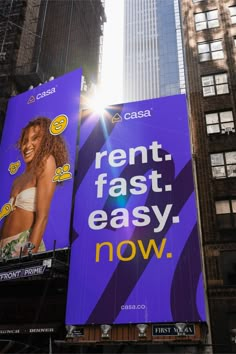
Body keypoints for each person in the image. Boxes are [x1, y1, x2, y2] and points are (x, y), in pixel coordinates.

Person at [0, 117, 69, 258]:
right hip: (3, 249)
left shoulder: (47, 162)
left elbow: (42, 218)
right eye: (25, 141)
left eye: (35, 138)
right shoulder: (18, 180)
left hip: (23, 247)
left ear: (46, 141)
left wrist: (28, 256)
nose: (27, 145)